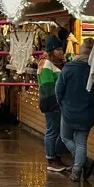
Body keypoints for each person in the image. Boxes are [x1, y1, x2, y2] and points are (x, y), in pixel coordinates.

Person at [56, 39, 94, 182]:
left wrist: (62, 104)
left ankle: (84, 162)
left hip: (68, 111)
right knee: (81, 142)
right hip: (87, 112)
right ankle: (77, 170)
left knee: (65, 137)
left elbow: (58, 90)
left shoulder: (69, 67)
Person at [38, 35, 66, 172]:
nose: (61, 52)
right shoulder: (47, 64)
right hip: (51, 102)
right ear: (51, 50)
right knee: (52, 131)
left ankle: (56, 157)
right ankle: (51, 159)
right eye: (57, 49)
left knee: (59, 131)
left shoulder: (52, 64)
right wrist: (56, 103)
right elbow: (48, 87)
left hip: (55, 103)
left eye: (61, 49)